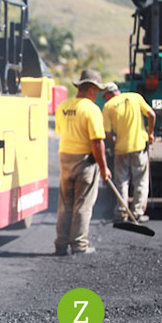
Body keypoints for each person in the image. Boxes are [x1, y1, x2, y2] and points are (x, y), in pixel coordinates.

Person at [54, 69, 112, 256]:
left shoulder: (63, 106)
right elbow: (97, 142)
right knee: (83, 204)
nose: (97, 95)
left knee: (65, 204)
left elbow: (60, 131)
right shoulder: (91, 109)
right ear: (92, 89)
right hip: (85, 161)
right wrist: (104, 168)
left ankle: (61, 243)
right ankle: (79, 244)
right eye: (97, 91)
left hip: (65, 158)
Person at [102, 82, 156, 223]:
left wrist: (114, 145)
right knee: (141, 181)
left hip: (121, 149)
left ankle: (121, 213)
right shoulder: (135, 97)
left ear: (109, 94)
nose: (104, 99)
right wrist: (150, 133)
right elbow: (151, 114)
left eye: (104, 96)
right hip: (139, 147)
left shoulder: (108, 106)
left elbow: (107, 133)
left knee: (122, 182)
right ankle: (137, 213)